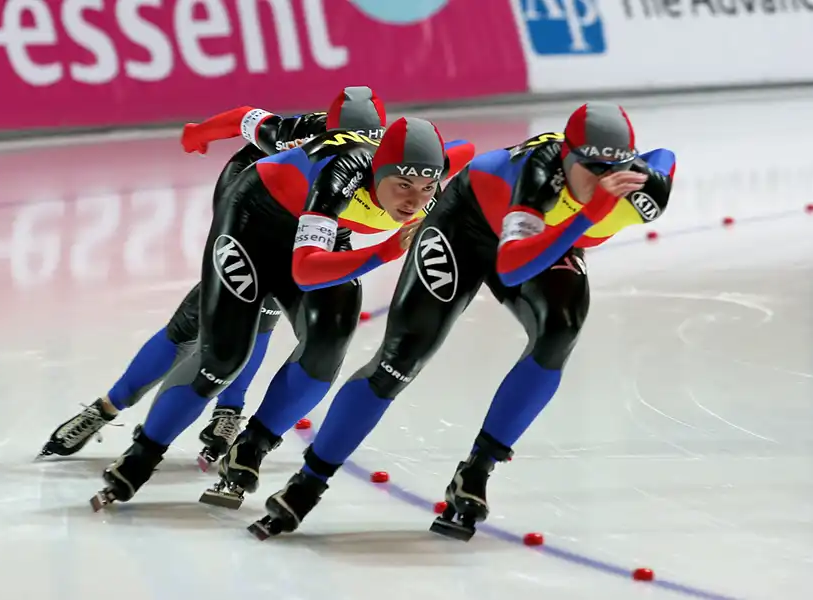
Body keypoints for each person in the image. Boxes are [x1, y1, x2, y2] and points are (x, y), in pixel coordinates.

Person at [244, 102, 677, 540]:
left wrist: (599, 205)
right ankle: (308, 483)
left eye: (614, 168)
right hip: (464, 225)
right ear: (567, 156)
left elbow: (665, 159)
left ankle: (476, 471)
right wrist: (590, 214)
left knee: (559, 332)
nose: (603, 179)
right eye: (591, 167)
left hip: (542, 240)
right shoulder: (540, 177)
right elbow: (511, 267)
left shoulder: (644, 190)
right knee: (402, 357)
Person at [90, 116, 476, 510]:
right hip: (254, 222)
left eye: (426, 188)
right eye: (403, 187)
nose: (413, 200)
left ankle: (253, 446)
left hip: (321, 230)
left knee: (328, 345)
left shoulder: (429, 184)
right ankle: (141, 456)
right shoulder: (343, 172)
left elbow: (467, 154)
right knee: (224, 359)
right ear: (378, 170)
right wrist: (385, 251)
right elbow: (306, 272)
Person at [39, 87, 387, 471]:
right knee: (206, 317)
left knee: (262, 312)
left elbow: (242, 115)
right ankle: (108, 406)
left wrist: (197, 134)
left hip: (312, 220)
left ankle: (228, 409)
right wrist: (197, 132)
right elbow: (245, 117)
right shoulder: (298, 132)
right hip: (255, 205)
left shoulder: (386, 161)